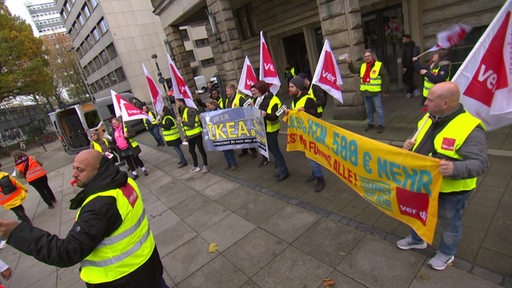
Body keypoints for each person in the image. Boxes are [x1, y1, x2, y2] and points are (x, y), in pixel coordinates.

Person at [0, 150, 169, 287]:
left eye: (80, 170)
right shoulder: (124, 182)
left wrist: (16, 232)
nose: (73, 174)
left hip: (121, 279)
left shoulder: (99, 207)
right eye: (74, 168)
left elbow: (66, 252)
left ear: (99, 171)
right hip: (148, 266)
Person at [396, 82, 488, 271]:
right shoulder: (428, 118)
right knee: (417, 214)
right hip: (423, 183)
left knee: (449, 223)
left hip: (452, 191)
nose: (425, 102)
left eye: (430, 99)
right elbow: (417, 140)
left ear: (445, 103)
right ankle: (416, 239)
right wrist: (408, 146)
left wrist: (453, 168)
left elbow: (480, 164)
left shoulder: (470, 127)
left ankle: (446, 253)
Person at [286, 77, 325, 192]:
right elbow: (295, 113)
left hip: (311, 133)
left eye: (292, 87)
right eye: (289, 86)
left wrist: (306, 111)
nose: (290, 89)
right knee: (309, 156)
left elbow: (316, 115)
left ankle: (320, 179)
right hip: (302, 133)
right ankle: (315, 173)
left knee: (312, 157)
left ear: (298, 87)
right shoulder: (294, 99)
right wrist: (289, 112)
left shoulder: (308, 100)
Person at [250, 81, 289, 181]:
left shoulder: (273, 100)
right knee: (272, 150)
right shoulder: (259, 99)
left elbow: (275, 117)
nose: (255, 92)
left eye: (257, 90)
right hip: (263, 129)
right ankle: (281, 169)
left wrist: (265, 114)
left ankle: (284, 171)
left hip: (271, 129)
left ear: (262, 90)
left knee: (275, 151)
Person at [347, 49, 389, 133]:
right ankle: (371, 123)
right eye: (365, 56)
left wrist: (384, 90)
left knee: (379, 109)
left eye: (368, 56)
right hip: (365, 93)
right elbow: (354, 70)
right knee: (368, 110)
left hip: (375, 92)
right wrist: (350, 63)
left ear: (372, 56)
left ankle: (381, 124)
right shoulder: (362, 66)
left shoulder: (378, 65)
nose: (367, 58)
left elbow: (385, 77)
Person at [175, 98, 209, 173]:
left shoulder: (189, 110)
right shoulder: (182, 111)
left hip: (196, 134)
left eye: (177, 102)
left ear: (181, 103)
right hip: (190, 136)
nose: (176, 104)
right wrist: (186, 136)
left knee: (201, 150)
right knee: (191, 150)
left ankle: (205, 165)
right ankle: (196, 166)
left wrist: (182, 122)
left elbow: (191, 124)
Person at [225, 84, 258, 159]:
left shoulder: (240, 98)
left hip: (243, 121)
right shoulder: (228, 100)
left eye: (227, 91)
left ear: (232, 90)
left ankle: (253, 151)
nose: (226, 92)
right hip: (234, 122)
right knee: (240, 137)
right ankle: (244, 150)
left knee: (247, 137)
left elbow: (246, 108)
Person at [205, 99, 238, 170]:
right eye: (207, 106)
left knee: (228, 149)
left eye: (209, 106)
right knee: (223, 149)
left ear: (213, 104)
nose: (208, 108)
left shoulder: (221, 111)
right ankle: (228, 163)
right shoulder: (210, 113)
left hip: (224, 132)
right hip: (217, 134)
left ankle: (233, 164)